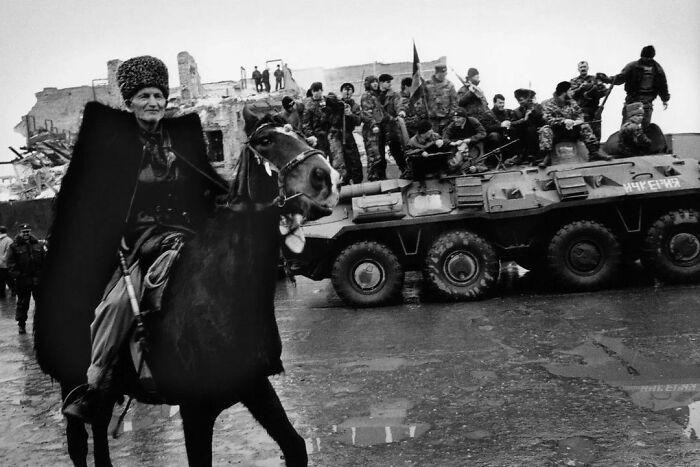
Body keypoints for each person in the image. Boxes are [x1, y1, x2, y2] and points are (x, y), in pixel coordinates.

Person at [44, 55, 228, 422]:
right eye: (144, 96)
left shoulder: (179, 144)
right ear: (129, 102)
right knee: (115, 306)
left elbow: (207, 186)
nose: (153, 103)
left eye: (159, 96)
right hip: (139, 240)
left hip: (185, 232)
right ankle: (97, 385)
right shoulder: (113, 147)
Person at [539, 81, 610, 167]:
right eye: (570, 90)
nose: (572, 92)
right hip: (556, 133)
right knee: (545, 129)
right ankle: (547, 156)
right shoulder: (547, 104)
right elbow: (547, 119)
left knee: (584, 126)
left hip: (572, 131)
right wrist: (563, 121)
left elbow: (580, 115)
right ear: (564, 92)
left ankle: (594, 152)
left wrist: (576, 122)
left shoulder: (572, 102)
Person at [613, 45, 670, 129]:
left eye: (648, 57)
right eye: (644, 57)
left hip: (647, 104)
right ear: (641, 56)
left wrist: (665, 99)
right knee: (626, 128)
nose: (646, 59)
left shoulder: (658, 70)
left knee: (644, 129)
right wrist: (607, 79)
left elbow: (662, 86)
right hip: (632, 101)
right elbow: (620, 78)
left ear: (652, 57)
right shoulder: (632, 67)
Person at [7, 224, 44, 334]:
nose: (26, 234)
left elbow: (44, 260)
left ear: (30, 232)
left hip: (37, 279)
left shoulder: (37, 244)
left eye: (27, 231)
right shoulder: (14, 246)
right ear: (20, 232)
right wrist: (17, 275)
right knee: (23, 304)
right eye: (24, 232)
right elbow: (10, 263)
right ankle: (21, 325)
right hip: (23, 280)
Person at [327, 83, 363, 185]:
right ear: (341, 91)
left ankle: (357, 183)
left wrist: (350, 114)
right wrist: (339, 103)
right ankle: (342, 182)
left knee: (354, 160)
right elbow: (329, 99)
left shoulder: (354, 106)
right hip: (336, 135)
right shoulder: (336, 103)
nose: (347, 92)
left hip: (348, 135)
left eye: (350, 90)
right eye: (345, 90)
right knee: (339, 161)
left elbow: (358, 120)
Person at [569, 60, 611, 139]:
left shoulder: (595, 79)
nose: (583, 69)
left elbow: (605, 91)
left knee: (596, 131)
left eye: (584, 67)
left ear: (588, 68)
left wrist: (594, 90)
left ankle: (596, 149)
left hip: (595, 109)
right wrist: (580, 88)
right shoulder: (573, 81)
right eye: (581, 67)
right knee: (583, 131)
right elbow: (570, 95)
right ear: (578, 69)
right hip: (581, 110)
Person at [506, 88, 545, 166]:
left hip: (536, 134)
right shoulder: (516, 111)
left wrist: (534, 110)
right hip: (522, 136)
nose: (521, 102)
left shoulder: (537, 107)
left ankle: (533, 155)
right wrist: (524, 119)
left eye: (523, 99)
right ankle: (520, 155)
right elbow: (512, 124)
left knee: (531, 129)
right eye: (519, 100)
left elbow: (542, 119)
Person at [378, 74, 407, 176]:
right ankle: (380, 176)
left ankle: (404, 170)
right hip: (378, 128)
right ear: (381, 83)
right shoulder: (374, 95)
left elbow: (399, 105)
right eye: (387, 82)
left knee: (396, 150)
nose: (390, 84)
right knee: (379, 154)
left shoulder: (394, 95)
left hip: (391, 127)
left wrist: (401, 111)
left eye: (390, 82)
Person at [442, 108, 488, 172]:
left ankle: (478, 167)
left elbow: (483, 133)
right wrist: (453, 143)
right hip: (459, 145)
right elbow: (444, 138)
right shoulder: (452, 125)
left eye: (458, 118)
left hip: (473, 144)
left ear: (464, 118)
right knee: (453, 166)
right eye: (454, 118)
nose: (455, 120)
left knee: (479, 148)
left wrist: (470, 139)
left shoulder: (473, 121)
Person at [360, 75, 386, 181]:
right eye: (372, 82)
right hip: (371, 130)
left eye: (376, 82)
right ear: (368, 84)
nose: (375, 84)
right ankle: (372, 177)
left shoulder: (377, 95)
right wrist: (373, 125)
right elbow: (367, 113)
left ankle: (380, 176)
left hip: (379, 128)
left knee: (380, 154)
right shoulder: (366, 96)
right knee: (373, 154)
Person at [424, 65, 457, 135]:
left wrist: (449, 117)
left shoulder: (450, 85)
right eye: (442, 74)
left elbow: (454, 103)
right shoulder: (427, 85)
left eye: (445, 74)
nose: (444, 76)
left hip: (446, 119)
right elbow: (423, 102)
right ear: (436, 73)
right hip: (432, 120)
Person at [302, 82, 332, 158]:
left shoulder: (328, 101)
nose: (316, 93)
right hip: (318, 136)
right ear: (312, 92)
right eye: (314, 91)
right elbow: (306, 124)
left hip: (330, 134)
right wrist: (311, 135)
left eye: (318, 90)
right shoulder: (308, 105)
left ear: (322, 90)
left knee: (334, 159)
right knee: (321, 158)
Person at [0, 226, 14, 298]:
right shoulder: (9, 240)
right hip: (3, 264)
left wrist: (3, 260)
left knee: (7, 279)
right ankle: (2, 294)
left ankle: (13, 291)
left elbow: (8, 253)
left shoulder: (8, 240)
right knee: (3, 280)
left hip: (5, 265)